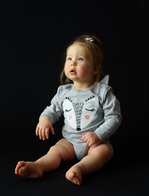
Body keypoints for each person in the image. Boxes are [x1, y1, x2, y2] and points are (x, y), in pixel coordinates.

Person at [15, 34, 122, 185]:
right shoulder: (63, 92)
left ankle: (79, 168)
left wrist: (98, 135)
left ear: (95, 68)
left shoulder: (103, 92)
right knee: (55, 150)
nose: (73, 63)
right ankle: (39, 166)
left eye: (80, 59)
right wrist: (45, 119)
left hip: (95, 143)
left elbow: (114, 117)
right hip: (70, 142)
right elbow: (52, 110)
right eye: (69, 58)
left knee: (104, 152)